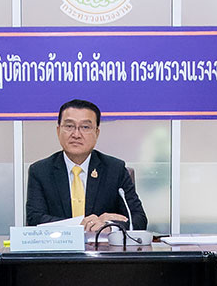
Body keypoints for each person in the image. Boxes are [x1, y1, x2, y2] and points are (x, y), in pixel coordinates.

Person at [24, 99, 147, 233]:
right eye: (69, 126)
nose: (76, 134)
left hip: (102, 246)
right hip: (59, 245)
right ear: (58, 131)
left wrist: (108, 226)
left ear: (97, 133)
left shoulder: (115, 169)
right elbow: (34, 219)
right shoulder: (40, 171)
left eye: (85, 127)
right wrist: (80, 225)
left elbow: (138, 219)